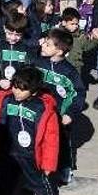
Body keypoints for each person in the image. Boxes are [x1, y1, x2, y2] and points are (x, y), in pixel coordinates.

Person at [0, 66, 61, 195]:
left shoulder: (43, 109)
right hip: (7, 150)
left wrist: (49, 164)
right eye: (15, 86)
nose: (16, 91)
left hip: (30, 154)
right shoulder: (6, 99)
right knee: (2, 181)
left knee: (38, 181)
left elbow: (51, 139)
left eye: (22, 89)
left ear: (34, 91)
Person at [32, 28, 85, 185]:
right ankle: (35, 174)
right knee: (38, 143)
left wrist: (70, 113)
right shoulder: (37, 63)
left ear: (59, 51)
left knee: (62, 143)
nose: (43, 46)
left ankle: (65, 169)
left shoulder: (69, 72)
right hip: (39, 114)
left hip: (60, 117)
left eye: (48, 45)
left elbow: (78, 93)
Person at [0, 12, 34, 100]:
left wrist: (16, 83)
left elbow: (28, 69)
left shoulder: (26, 49)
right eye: (9, 33)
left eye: (17, 35)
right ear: (5, 28)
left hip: (18, 90)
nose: (13, 38)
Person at [60, 8, 98, 84]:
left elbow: (87, 46)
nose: (75, 26)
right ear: (64, 23)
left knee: (75, 87)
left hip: (76, 67)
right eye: (72, 24)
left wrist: (95, 40)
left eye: (77, 24)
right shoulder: (58, 35)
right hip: (61, 66)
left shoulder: (80, 36)